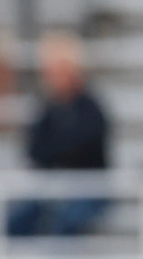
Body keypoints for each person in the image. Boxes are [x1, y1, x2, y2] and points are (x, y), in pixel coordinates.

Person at [9, 31, 110, 236]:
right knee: (15, 221)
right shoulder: (47, 109)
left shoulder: (91, 109)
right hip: (50, 186)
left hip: (88, 188)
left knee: (67, 221)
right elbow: (35, 149)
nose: (53, 78)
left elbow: (84, 150)